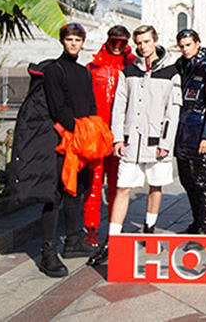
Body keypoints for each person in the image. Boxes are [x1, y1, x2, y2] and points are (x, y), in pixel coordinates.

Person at [88, 25, 182, 266]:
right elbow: (119, 107)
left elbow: (173, 111)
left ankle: (149, 230)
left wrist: (166, 142)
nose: (143, 46)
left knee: (155, 186)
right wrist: (118, 138)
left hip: (156, 142)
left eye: (147, 41)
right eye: (139, 42)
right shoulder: (129, 70)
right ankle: (112, 240)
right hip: (131, 142)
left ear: (155, 41)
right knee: (122, 188)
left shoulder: (171, 72)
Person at [29, 23, 103, 277]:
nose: (73, 43)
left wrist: (92, 131)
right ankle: (48, 250)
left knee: (78, 189)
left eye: (77, 40)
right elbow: (57, 108)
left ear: (83, 43)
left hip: (81, 140)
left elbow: (91, 105)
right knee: (55, 193)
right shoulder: (54, 69)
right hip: (61, 140)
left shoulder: (84, 72)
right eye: (69, 39)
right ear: (62, 41)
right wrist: (80, 130)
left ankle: (72, 240)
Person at [83, 25, 135, 247]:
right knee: (94, 184)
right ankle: (91, 229)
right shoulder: (92, 67)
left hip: (119, 136)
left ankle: (116, 228)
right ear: (108, 41)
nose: (117, 47)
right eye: (114, 42)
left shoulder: (132, 67)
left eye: (122, 43)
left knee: (118, 185)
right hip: (98, 133)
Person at [174, 29, 206, 235]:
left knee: (203, 182)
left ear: (197, 43)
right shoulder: (182, 65)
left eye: (188, 45)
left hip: (200, 131)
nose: (185, 49)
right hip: (183, 131)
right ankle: (197, 222)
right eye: (182, 46)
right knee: (187, 181)